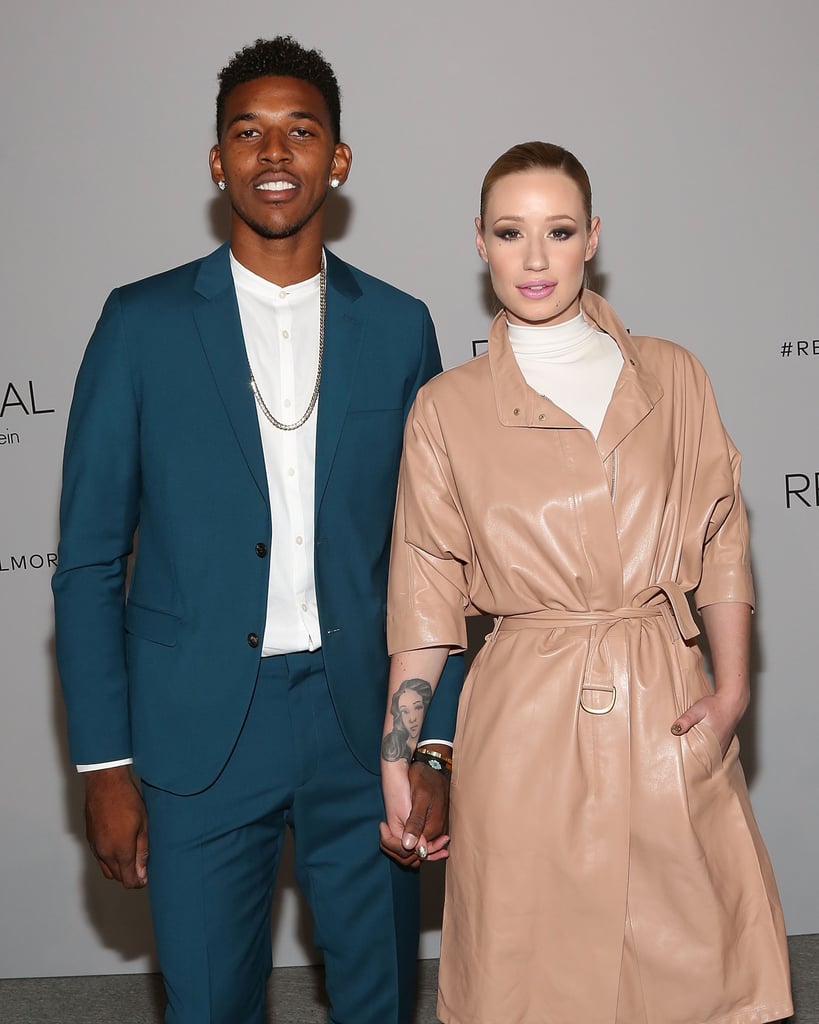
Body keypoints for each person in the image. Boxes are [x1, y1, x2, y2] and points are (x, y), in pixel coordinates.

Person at [52, 35, 461, 1024]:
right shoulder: (138, 325)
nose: (274, 152)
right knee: (207, 1004)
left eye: (301, 130)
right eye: (248, 131)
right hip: (197, 733)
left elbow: (436, 557)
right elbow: (88, 562)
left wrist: (433, 744)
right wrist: (103, 766)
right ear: (216, 159)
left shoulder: (401, 328)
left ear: (339, 158)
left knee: (378, 1001)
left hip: (362, 727)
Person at [381, 142, 793, 1024]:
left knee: (692, 973)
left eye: (557, 231)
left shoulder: (673, 374)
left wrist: (728, 691)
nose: (534, 259)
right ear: (479, 244)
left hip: (661, 699)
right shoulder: (446, 409)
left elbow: (721, 536)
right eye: (509, 232)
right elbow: (425, 590)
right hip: (522, 717)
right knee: (527, 977)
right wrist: (399, 752)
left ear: (592, 238)